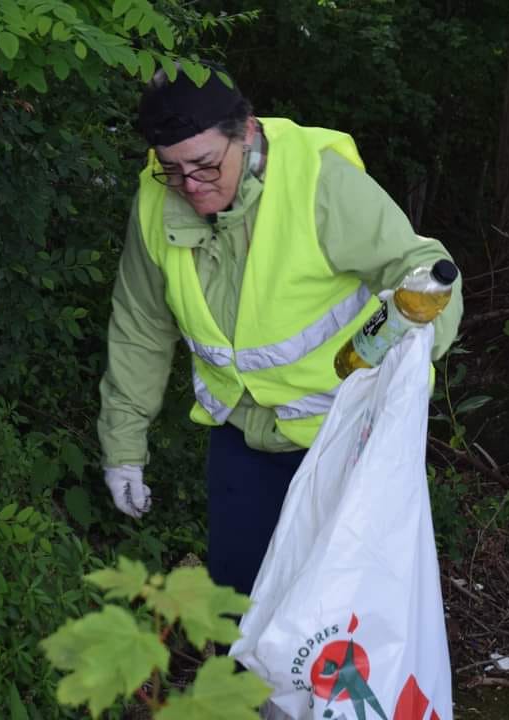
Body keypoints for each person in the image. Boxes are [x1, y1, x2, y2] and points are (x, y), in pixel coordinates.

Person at [98, 65, 463, 596]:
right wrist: (123, 447)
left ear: (246, 131)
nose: (191, 187)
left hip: (344, 437)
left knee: (336, 615)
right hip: (242, 438)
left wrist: (418, 341)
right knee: (239, 606)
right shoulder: (156, 203)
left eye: (203, 166)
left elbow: (420, 262)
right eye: (171, 171)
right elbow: (141, 326)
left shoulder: (317, 182)